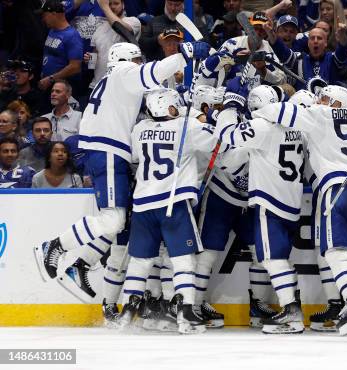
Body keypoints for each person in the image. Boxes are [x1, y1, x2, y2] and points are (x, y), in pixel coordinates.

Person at [33, 40, 211, 313]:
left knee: (120, 219)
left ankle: (83, 264)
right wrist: (183, 53)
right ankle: (55, 246)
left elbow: (152, 96)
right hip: (108, 152)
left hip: (105, 152)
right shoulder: (123, 72)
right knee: (114, 219)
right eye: (138, 59)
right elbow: (153, 72)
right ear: (129, 59)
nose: (140, 63)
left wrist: (179, 94)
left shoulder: (114, 82)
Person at [253, 85, 347, 336]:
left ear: (335, 104)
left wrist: (293, 106)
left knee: (335, 250)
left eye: (324, 98)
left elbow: (274, 110)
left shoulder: (318, 116)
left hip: (337, 187)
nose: (318, 101)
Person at [119, 88, 214, 334]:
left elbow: (136, 158)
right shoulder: (187, 127)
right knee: (183, 259)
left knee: (140, 260)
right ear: (170, 107)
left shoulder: (139, 130)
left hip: (142, 202)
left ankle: (128, 310)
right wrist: (202, 119)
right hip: (174, 202)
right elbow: (218, 142)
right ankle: (186, 312)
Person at [214, 84, 306, 334]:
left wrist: (230, 107)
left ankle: (292, 312)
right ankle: (291, 308)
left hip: (269, 200)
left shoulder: (261, 127)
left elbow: (227, 135)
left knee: (271, 259)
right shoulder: (297, 128)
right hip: (292, 202)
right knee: (280, 259)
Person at [266, 20, 347, 90]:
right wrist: (271, 35)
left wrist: (344, 37)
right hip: (304, 107)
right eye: (312, 38)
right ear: (308, 43)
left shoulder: (333, 58)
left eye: (319, 38)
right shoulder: (299, 59)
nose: (315, 41)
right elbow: (283, 52)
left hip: (328, 105)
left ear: (325, 43)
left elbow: (343, 49)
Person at [88, 0, 142, 89]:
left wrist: (105, 7)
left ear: (123, 5)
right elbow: (95, 54)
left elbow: (122, 29)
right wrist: (90, 59)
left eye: (116, 3)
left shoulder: (133, 21)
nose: (112, 7)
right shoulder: (99, 27)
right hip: (98, 83)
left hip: (121, 84)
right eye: (110, 4)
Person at [37, 0, 84, 93]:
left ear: (53, 14)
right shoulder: (52, 30)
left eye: (44, 15)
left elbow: (75, 67)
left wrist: (51, 78)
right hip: (47, 85)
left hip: (62, 88)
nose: (43, 19)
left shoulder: (72, 36)